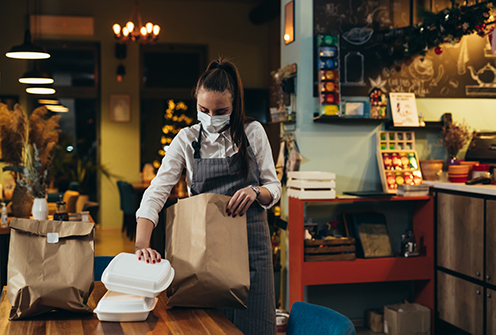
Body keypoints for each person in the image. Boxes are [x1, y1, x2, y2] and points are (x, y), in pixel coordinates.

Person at [134, 58, 281, 334]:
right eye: (204, 109)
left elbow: (274, 188)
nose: (211, 117)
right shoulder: (185, 140)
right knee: (207, 328)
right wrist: (142, 241)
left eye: (221, 110)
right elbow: (156, 192)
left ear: (234, 104)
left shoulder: (253, 133)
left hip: (251, 254)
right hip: (204, 255)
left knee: (256, 328)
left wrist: (254, 191)